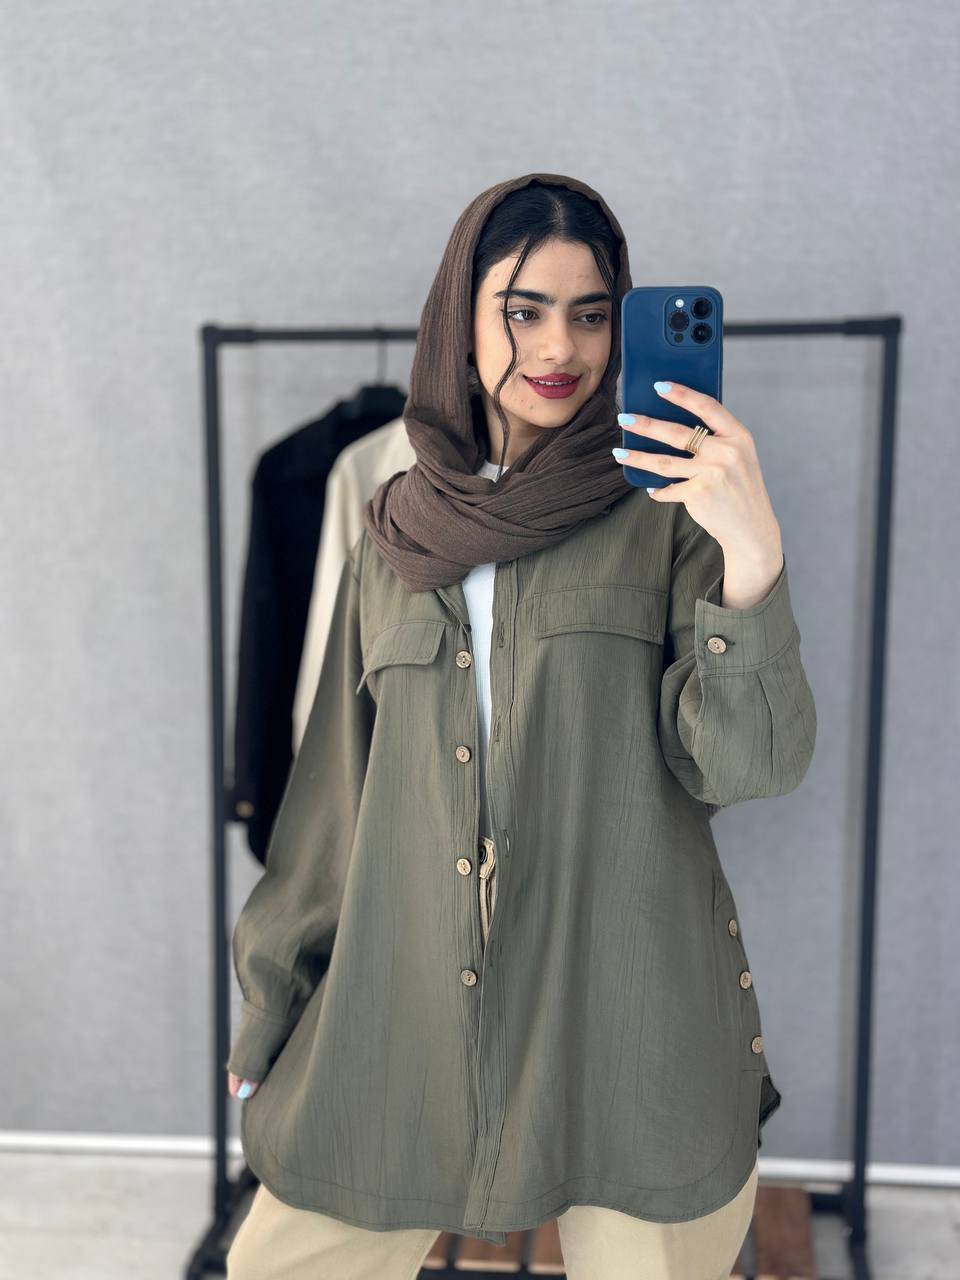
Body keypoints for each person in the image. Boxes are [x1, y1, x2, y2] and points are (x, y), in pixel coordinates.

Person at [224, 172, 816, 1280]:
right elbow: (333, 808)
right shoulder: (394, 534)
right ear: (461, 316)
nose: (560, 347)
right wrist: (271, 1005)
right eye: (524, 309)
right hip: (400, 1003)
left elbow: (747, 765)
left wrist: (752, 554)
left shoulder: (669, 514)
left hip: (624, 1008)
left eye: (591, 313)